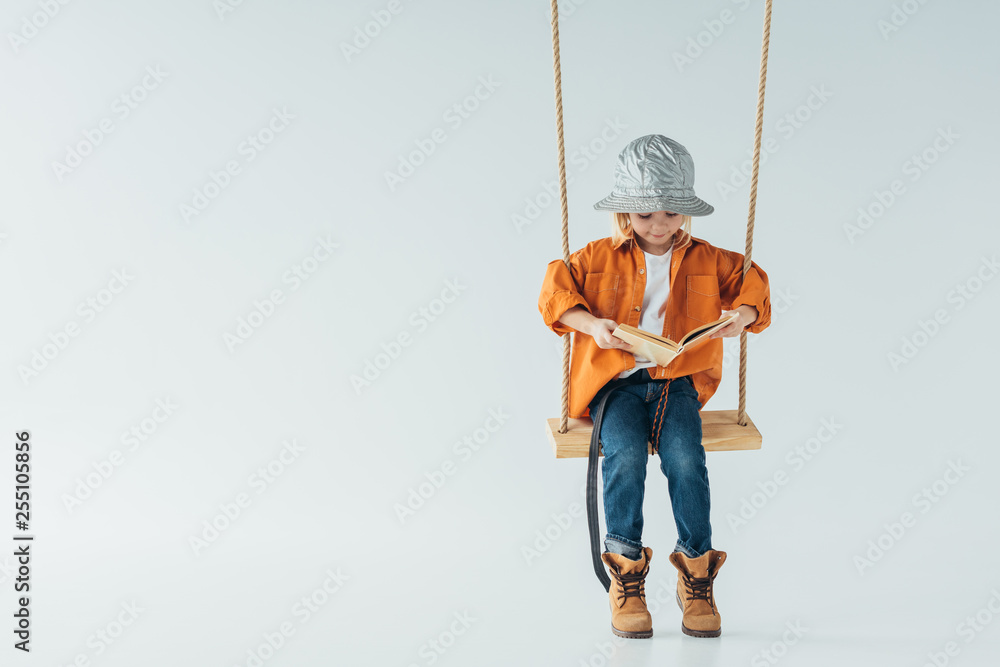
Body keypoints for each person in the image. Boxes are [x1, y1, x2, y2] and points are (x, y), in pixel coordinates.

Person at [537, 134, 772, 639]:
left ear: (685, 212)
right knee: (622, 456)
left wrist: (742, 316)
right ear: (625, 215)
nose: (659, 225)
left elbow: (754, 284)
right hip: (617, 385)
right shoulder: (597, 256)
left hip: (677, 383)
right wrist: (591, 325)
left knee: (686, 458)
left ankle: (698, 574)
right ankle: (627, 576)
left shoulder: (709, 258)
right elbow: (555, 290)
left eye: (670, 214)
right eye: (645, 215)